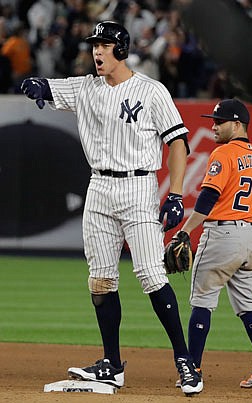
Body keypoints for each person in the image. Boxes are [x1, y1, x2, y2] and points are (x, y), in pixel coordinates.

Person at [21, 20, 201, 396]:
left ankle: (185, 362)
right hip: (99, 187)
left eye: (103, 45)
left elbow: (179, 143)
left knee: (152, 274)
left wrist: (176, 194)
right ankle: (112, 365)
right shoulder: (86, 87)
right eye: (94, 45)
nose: (96, 52)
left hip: (138, 187)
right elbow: (47, 86)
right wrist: (34, 84)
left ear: (121, 49)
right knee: (101, 279)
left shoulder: (151, 91)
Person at [175, 99, 252, 392]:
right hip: (251, 238)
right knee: (248, 305)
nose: (213, 126)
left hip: (222, 236)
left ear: (236, 124)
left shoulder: (224, 153)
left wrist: (184, 231)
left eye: (219, 121)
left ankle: (192, 370)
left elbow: (208, 197)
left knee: (202, 301)